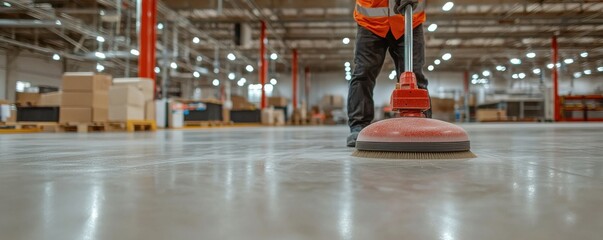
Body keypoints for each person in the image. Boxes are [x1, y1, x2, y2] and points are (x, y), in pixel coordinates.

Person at [347, 0, 431, 147]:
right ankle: (358, 127)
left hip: (409, 19)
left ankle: (421, 123)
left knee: (414, 75)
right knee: (363, 73)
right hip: (371, 23)